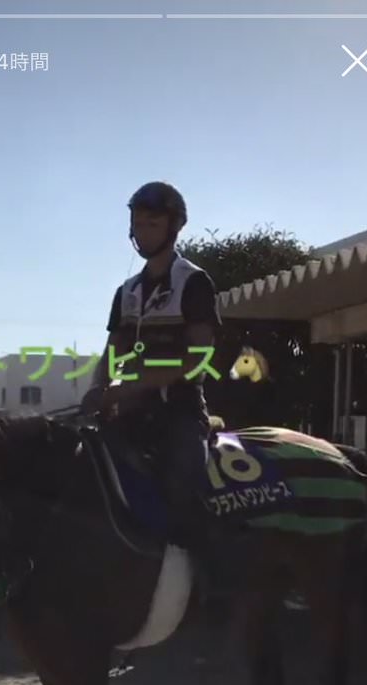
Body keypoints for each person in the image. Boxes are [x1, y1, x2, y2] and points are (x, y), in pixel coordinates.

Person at [81, 181, 221, 560]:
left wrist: (128, 388)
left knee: (185, 487)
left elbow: (198, 357)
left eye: (152, 224)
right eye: (138, 224)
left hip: (180, 411)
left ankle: (208, 573)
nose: (142, 232)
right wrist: (96, 388)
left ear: (174, 227)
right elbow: (113, 351)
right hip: (131, 413)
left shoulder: (193, 282)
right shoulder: (126, 292)